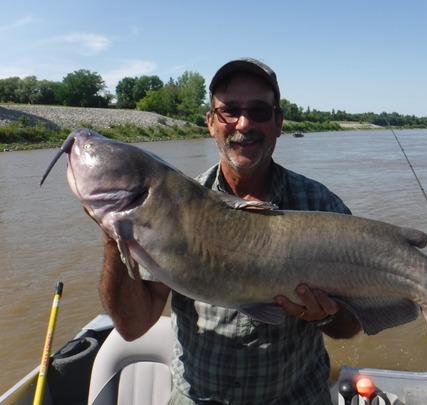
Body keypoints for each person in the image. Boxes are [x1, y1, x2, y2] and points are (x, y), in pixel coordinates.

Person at [99, 57, 362, 405]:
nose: (244, 123)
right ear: (211, 122)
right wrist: (113, 236)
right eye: (230, 111)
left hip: (295, 397)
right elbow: (133, 326)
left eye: (259, 111)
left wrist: (324, 316)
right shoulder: (171, 205)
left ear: (279, 122)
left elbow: (352, 326)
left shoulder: (320, 205)